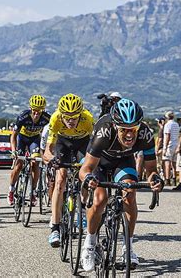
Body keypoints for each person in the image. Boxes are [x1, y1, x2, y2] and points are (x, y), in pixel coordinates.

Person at [78, 99, 163, 272]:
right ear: (115, 126)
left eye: (133, 129)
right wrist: (88, 178)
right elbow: (86, 168)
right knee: (100, 199)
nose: (130, 135)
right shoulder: (104, 132)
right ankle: (90, 244)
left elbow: (151, 169)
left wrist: (155, 179)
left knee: (130, 192)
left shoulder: (145, 134)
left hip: (124, 161)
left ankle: (128, 248)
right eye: (124, 130)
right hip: (99, 162)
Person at [43, 93, 94, 248]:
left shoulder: (88, 119)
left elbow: (96, 148)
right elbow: (47, 150)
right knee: (60, 180)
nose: (71, 121)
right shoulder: (56, 118)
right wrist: (53, 159)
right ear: (61, 115)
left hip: (82, 143)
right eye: (67, 117)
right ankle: (55, 227)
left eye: (74, 117)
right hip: (63, 143)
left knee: (86, 171)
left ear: (80, 114)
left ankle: (83, 207)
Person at [8, 95, 50, 206]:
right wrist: (13, 151)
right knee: (18, 165)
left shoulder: (46, 118)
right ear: (31, 108)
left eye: (40, 111)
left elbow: (49, 135)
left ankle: (32, 192)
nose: (37, 113)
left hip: (34, 140)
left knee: (35, 163)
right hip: (21, 139)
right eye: (35, 110)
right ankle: (11, 190)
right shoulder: (23, 117)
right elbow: (13, 135)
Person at [162, 111, 180, 186]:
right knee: (174, 163)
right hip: (176, 143)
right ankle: (174, 179)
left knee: (167, 162)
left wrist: (165, 148)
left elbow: (167, 136)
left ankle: (167, 179)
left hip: (170, 145)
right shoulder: (176, 124)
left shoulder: (167, 125)